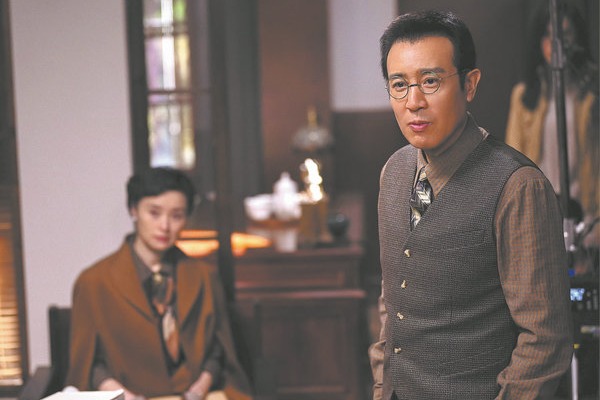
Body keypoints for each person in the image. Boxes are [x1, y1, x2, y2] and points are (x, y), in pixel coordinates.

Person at [369, 10, 573, 399]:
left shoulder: (517, 186)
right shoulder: (393, 172)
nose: (414, 102)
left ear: (469, 84)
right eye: (399, 85)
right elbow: (390, 305)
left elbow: (544, 341)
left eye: (431, 81)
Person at [66, 167, 253, 400]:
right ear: (133, 210)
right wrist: (125, 396)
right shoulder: (94, 282)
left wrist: (199, 389)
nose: (165, 226)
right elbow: (89, 365)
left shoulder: (204, 276)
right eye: (154, 213)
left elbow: (218, 350)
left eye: (176, 216)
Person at [505, 1, 599, 250]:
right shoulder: (524, 96)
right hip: (540, 212)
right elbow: (512, 161)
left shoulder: (591, 95)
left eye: (565, 34)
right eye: (548, 35)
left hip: (584, 214)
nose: (557, 43)